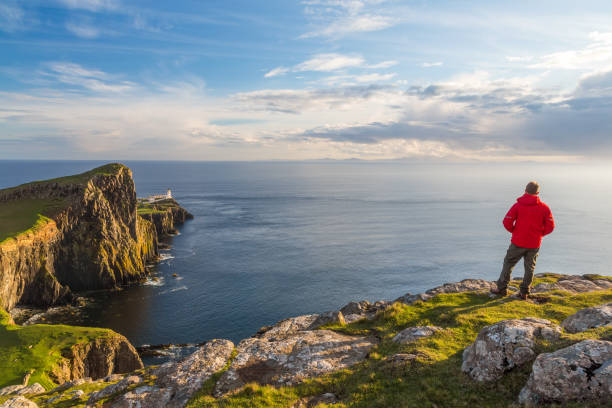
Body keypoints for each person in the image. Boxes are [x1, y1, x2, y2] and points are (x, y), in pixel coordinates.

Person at [491, 181, 555, 300]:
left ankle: (501, 289)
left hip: (518, 242)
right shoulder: (544, 208)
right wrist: (539, 234)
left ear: (525, 190)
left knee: (508, 264)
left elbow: (507, 222)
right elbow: (550, 227)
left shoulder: (517, 206)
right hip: (534, 243)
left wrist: (515, 232)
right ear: (538, 192)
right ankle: (524, 292)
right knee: (529, 268)